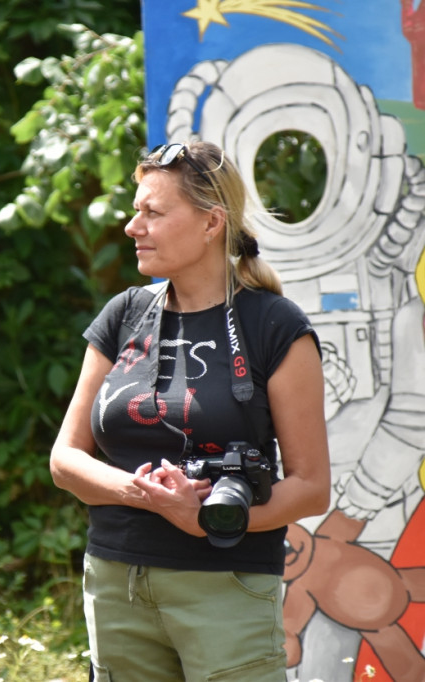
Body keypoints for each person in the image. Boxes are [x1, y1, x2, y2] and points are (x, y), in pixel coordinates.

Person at [50, 140, 331, 681]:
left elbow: (312, 485)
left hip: (225, 584)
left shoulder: (275, 325)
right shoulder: (124, 313)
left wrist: (205, 521)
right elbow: (65, 460)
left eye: (152, 212)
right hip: (115, 583)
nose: (134, 226)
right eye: (136, 210)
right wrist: (146, 496)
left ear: (211, 223)